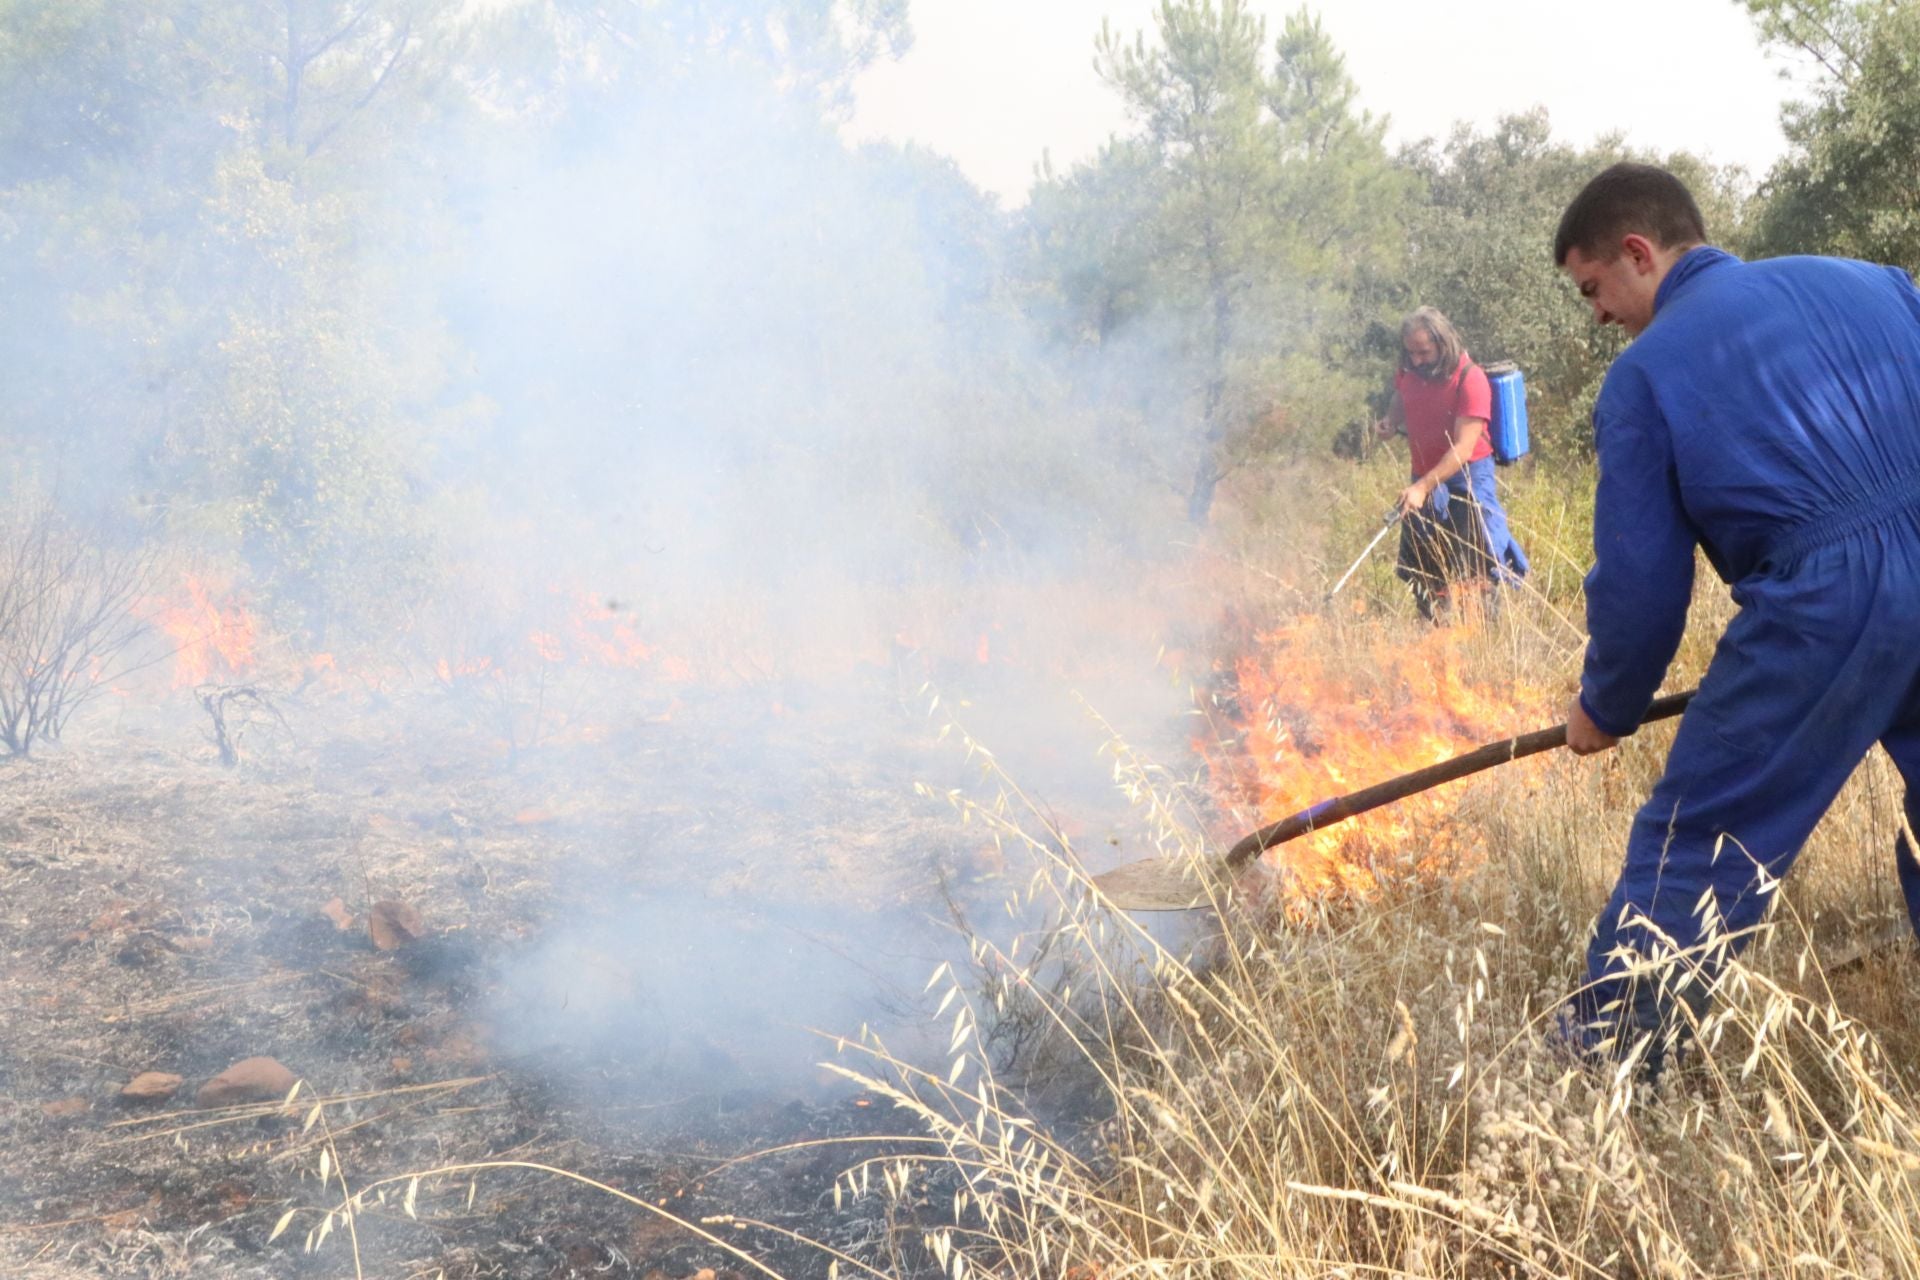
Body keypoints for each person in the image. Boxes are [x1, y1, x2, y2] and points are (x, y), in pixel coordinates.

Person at [1554, 162, 1920, 1072]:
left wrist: (1606, 706)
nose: (1597, 315)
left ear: (1639, 252)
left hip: (1828, 605)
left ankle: (1606, 1071)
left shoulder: (1643, 377)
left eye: (1593, 288)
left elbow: (1642, 585)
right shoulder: (1873, 282)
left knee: (1700, 841)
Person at [1374, 307, 1528, 622]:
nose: (1416, 360)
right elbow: (1401, 396)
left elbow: (1463, 448)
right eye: (1410, 352)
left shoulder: (1471, 379)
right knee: (1425, 570)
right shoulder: (1409, 370)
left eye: (1423, 352)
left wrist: (1422, 487)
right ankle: (1434, 638)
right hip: (1423, 479)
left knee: (1476, 570)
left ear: (1442, 344)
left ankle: (1484, 643)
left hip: (1467, 478)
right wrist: (1391, 420)